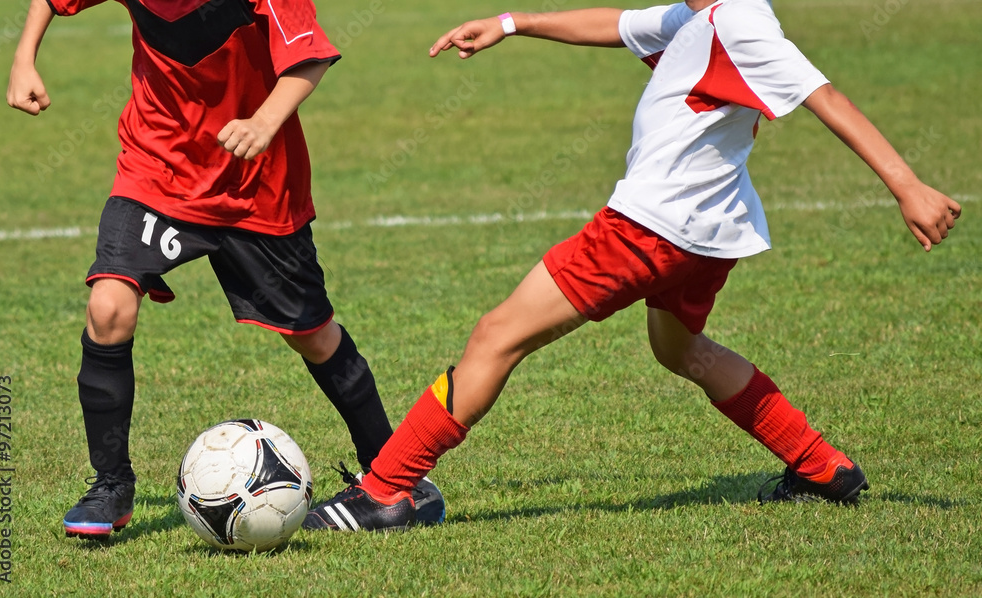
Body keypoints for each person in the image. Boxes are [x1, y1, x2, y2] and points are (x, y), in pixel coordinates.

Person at [303, 0, 961, 531]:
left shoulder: (738, 21)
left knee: (497, 336)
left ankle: (386, 492)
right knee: (680, 349)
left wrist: (908, 186)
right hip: (707, 236)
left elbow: (826, 96)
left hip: (647, 229)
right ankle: (822, 467)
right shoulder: (696, 16)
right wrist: (513, 23)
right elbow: (616, 25)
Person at [7, 0, 444, 540]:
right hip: (157, 170)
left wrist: (264, 122)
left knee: (314, 336)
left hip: (256, 188)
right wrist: (24, 58)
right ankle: (110, 485)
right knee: (108, 307)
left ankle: (391, 476)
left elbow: (309, 57)